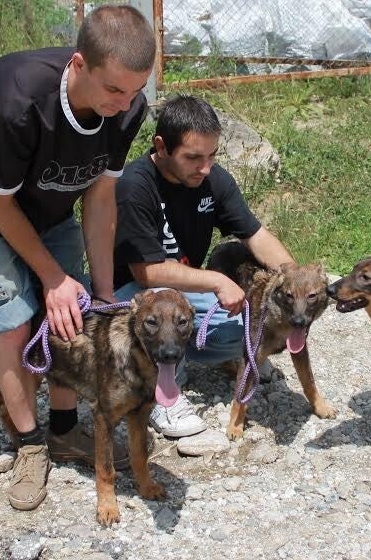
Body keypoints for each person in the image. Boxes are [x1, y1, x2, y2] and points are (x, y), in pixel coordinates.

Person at [0, 5, 156, 510]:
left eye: (135, 91)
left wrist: (102, 292)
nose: (124, 105)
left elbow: (101, 197)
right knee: (12, 321)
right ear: (79, 65)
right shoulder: (18, 101)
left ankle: (63, 429)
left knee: (74, 314)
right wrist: (52, 278)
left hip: (49, 199)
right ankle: (30, 444)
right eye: (114, 90)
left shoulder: (127, 107)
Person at [113, 94, 294, 438]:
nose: (205, 167)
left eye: (212, 156)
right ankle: (162, 395)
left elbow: (255, 236)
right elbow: (146, 272)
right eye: (193, 157)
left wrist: (292, 277)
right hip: (133, 295)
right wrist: (216, 281)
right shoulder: (135, 186)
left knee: (256, 326)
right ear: (161, 147)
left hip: (181, 294)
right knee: (163, 305)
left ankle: (198, 353)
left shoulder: (212, 180)